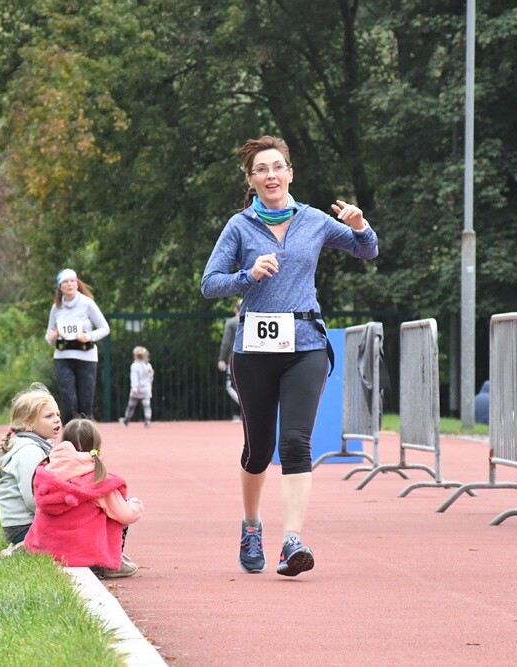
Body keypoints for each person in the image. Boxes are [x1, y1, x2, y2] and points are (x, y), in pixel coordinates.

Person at [200, 135, 379, 576]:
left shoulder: (314, 220)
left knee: (296, 442)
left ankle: (292, 540)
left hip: (306, 343)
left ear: (290, 174)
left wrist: (360, 225)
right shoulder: (239, 226)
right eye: (261, 169)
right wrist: (247, 275)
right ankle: (251, 526)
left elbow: (367, 250)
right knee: (258, 449)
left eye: (277, 167)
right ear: (251, 180)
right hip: (255, 350)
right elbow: (209, 283)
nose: (271, 175)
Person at [25, 418, 144, 578]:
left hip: (46, 550)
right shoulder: (99, 481)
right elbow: (126, 515)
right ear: (98, 448)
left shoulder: (46, 473)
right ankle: (108, 564)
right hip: (84, 556)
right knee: (117, 510)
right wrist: (135, 504)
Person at [0, 383, 62, 556]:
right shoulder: (29, 451)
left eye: (58, 414)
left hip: (19, 525)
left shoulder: (33, 445)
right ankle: (25, 546)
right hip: (24, 526)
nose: (57, 419)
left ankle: (26, 545)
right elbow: (33, 499)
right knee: (76, 534)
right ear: (28, 423)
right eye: (49, 416)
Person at [45, 269, 110, 420]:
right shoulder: (56, 307)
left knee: (85, 405)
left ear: (77, 283)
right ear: (60, 286)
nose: (70, 284)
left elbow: (105, 328)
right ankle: (69, 433)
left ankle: (87, 434)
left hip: (86, 357)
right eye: (66, 282)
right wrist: (52, 337)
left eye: (73, 281)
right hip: (63, 357)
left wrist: (88, 336)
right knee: (69, 402)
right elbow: (49, 335)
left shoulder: (87, 303)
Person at [217, 299, 242, 420]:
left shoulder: (231, 322)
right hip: (253, 358)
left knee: (230, 386)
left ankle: (246, 408)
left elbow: (226, 342)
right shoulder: (253, 320)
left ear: (235, 309)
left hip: (235, 358)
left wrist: (221, 358)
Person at [119, 346, 154, 428]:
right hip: (146, 389)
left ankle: (126, 420)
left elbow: (134, 378)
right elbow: (151, 377)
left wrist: (134, 388)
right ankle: (148, 421)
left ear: (135, 355)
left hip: (136, 389)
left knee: (131, 406)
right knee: (147, 406)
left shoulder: (134, 365)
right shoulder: (148, 365)